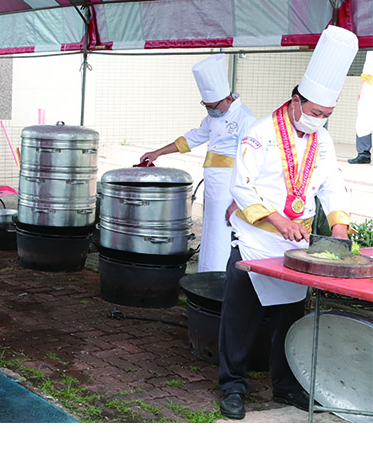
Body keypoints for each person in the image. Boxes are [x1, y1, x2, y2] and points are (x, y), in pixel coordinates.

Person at [218, 25, 357, 420]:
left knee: (289, 320)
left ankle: (285, 386)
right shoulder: (260, 132)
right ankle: (233, 387)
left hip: (297, 248)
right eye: (315, 113)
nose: (319, 121)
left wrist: (340, 228)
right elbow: (241, 187)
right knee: (240, 321)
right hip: (255, 243)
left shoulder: (322, 141)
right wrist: (278, 221)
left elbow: (331, 184)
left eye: (327, 115)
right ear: (296, 100)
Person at [140, 54, 255, 272]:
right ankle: (206, 274)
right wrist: (158, 153)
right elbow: (190, 139)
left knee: (224, 233)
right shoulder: (214, 117)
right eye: (206, 105)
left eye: (212, 105)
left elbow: (251, 164)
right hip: (213, 186)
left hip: (231, 187)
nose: (209, 110)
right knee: (211, 231)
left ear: (228, 99)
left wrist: (239, 201)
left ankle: (221, 279)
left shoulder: (246, 120)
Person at [349, 52, 373, 164]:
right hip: (369, 83)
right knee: (363, 118)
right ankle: (363, 154)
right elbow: (367, 67)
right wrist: (362, 87)